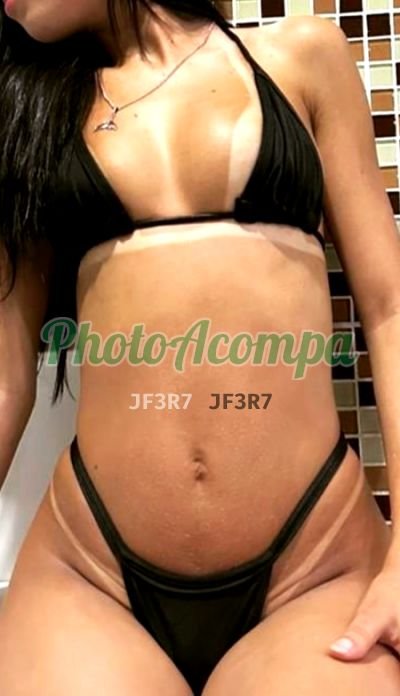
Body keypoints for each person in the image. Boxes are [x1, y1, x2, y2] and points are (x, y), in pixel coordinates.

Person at [0, 0, 400, 694]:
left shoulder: (302, 56)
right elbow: (7, 375)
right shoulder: (35, 115)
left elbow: (390, 309)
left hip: (315, 565)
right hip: (90, 574)